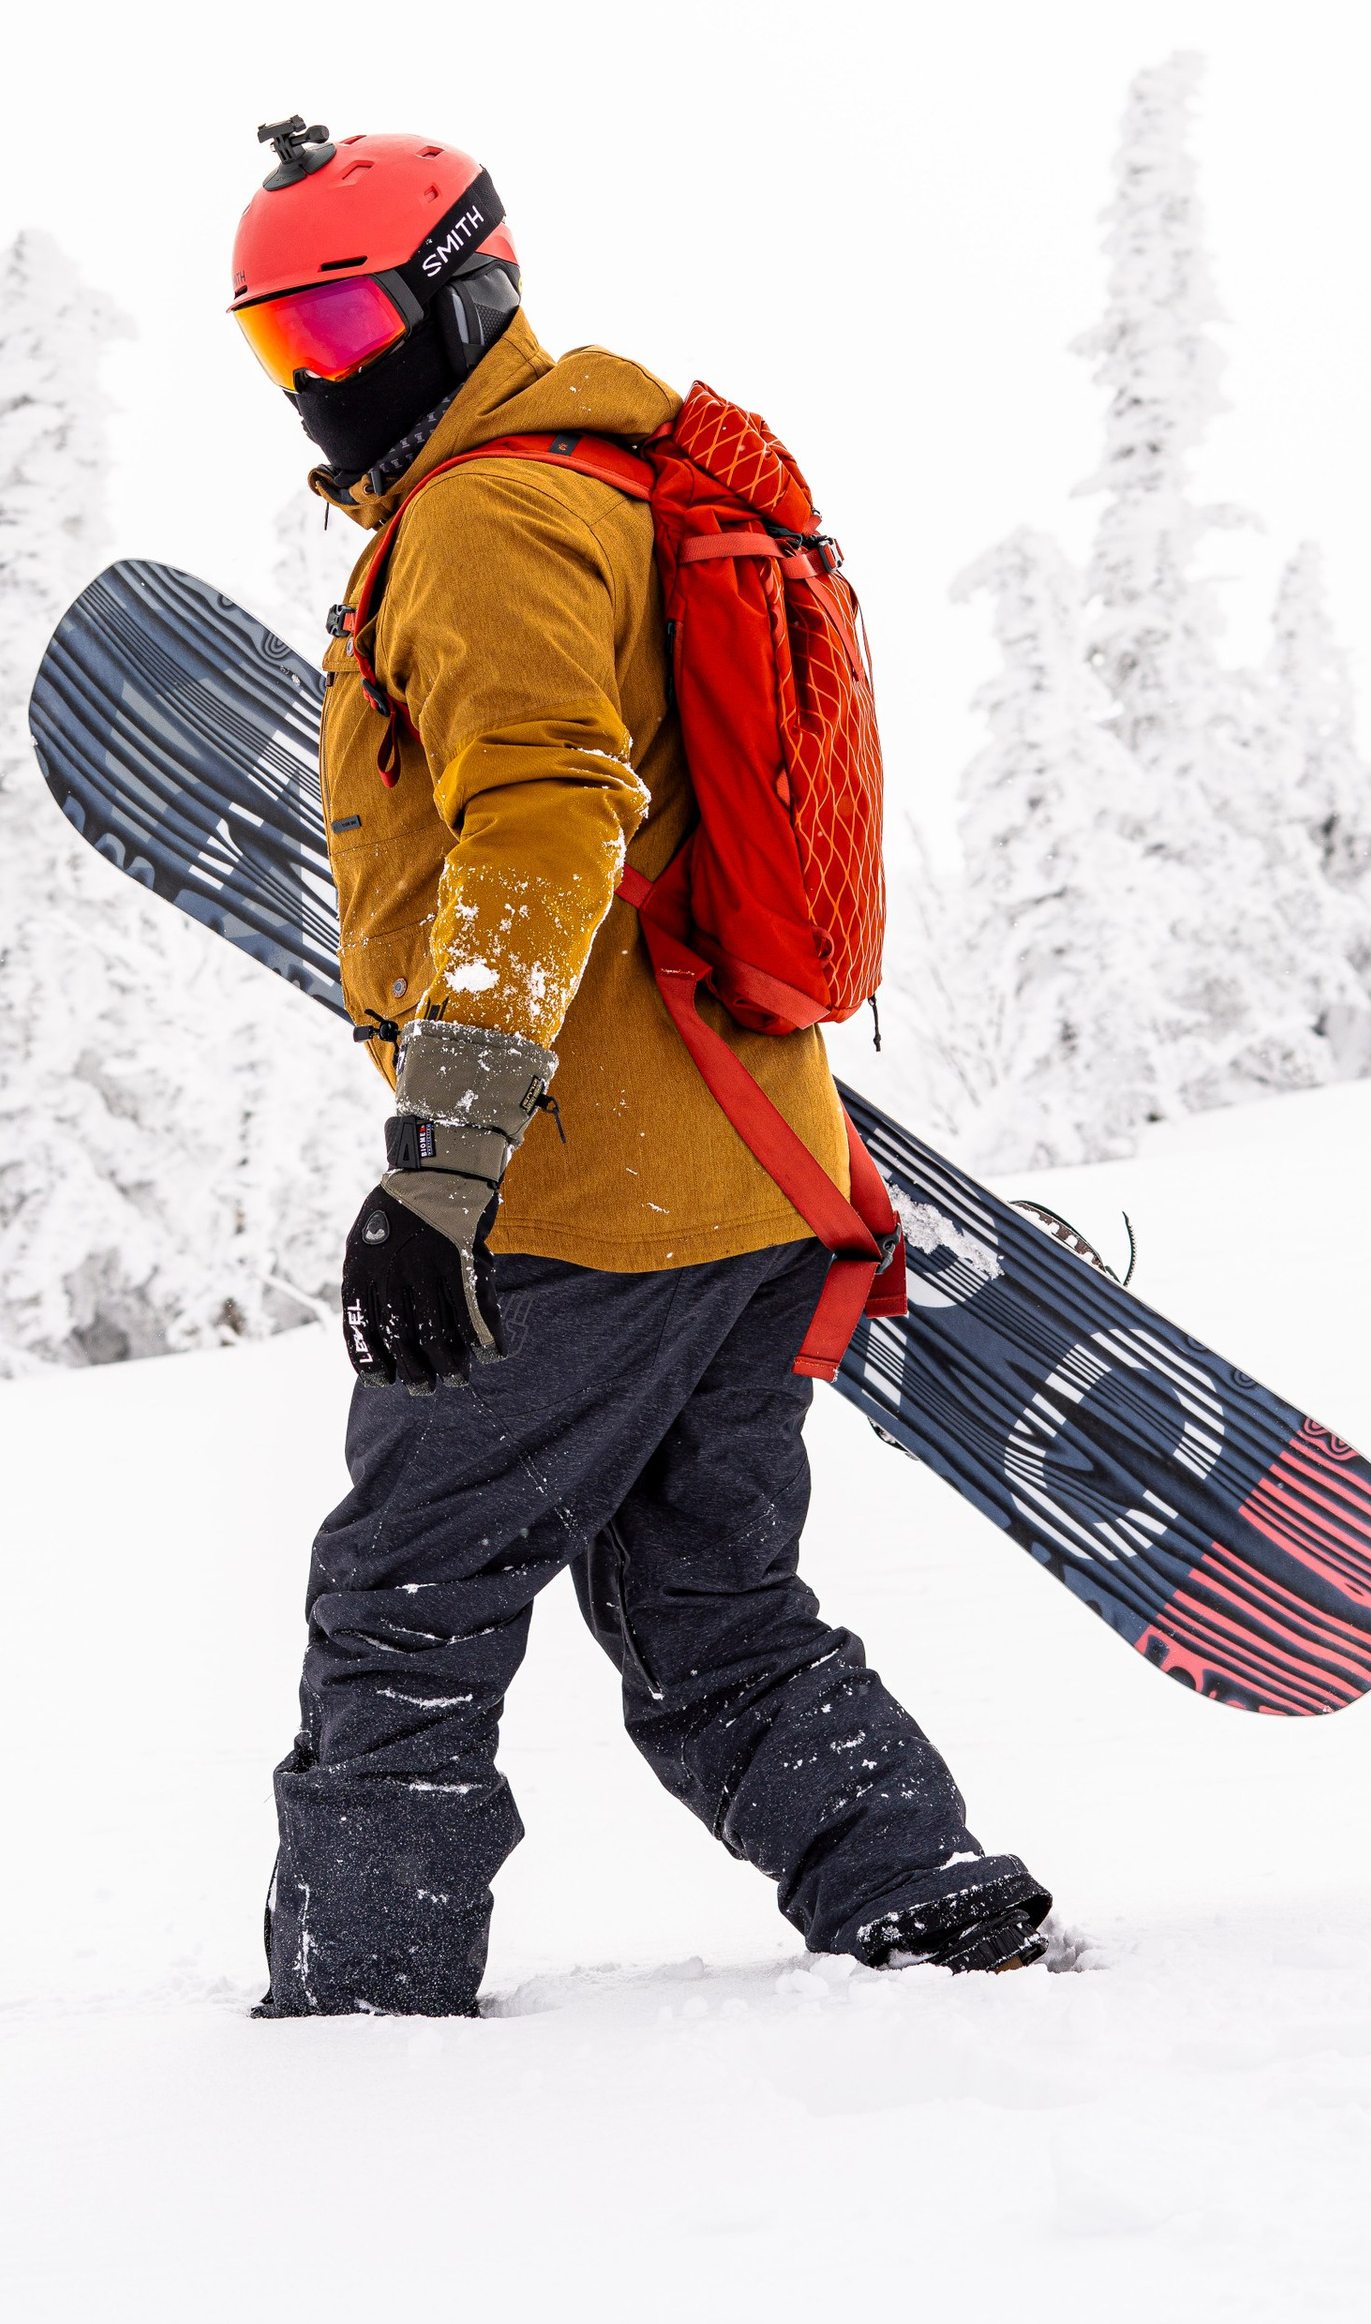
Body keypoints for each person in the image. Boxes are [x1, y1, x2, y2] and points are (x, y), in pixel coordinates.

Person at [231, 117, 1052, 2015]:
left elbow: (540, 831)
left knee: (407, 1599)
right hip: (761, 1169)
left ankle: (363, 2018)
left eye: (351, 321)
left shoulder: (486, 519)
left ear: (473, 288)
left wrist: (442, 1167)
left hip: (588, 1196)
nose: (326, 377)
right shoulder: (610, 478)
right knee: (711, 1603)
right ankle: (929, 1913)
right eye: (285, 345)